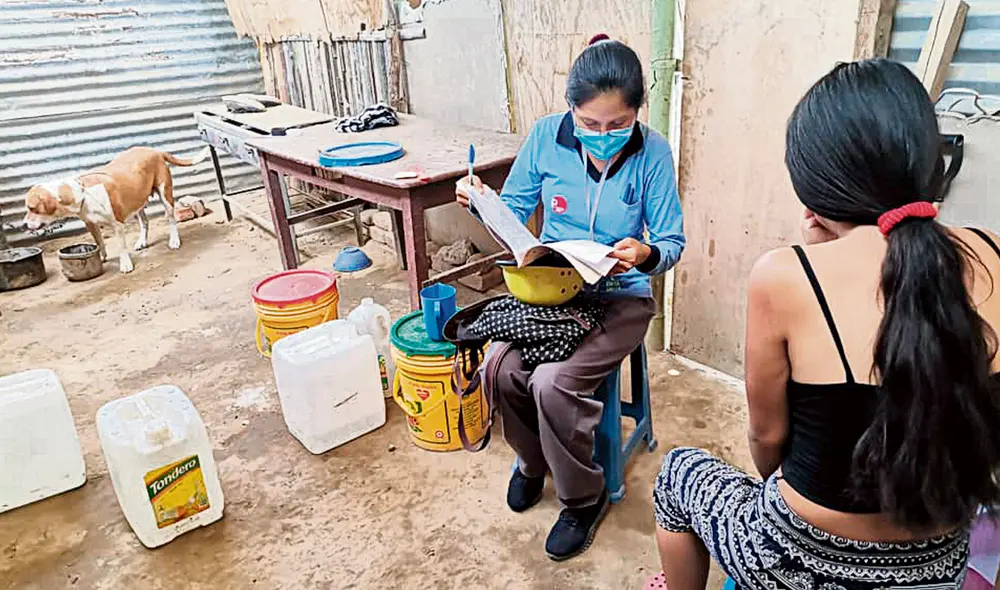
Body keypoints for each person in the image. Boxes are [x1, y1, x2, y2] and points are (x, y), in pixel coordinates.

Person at [646, 58, 1000, 589]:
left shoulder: (786, 275)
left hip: (800, 564)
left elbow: (768, 440)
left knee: (677, 476)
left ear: (814, 190)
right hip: (938, 567)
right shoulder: (992, 253)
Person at [455, 34, 685, 561]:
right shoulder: (544, 138)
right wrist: (482, 203)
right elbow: (511, 210)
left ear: (636, 115)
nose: (602, 137)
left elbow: (672, 243)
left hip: (619, 299)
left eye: (617, 126)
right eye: (589, 125)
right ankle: (533, 462)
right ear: (570, 110)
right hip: (552, 292)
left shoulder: (652, 153)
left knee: (554, 383)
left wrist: (643, 253)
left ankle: (583, 497)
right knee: (501, 368)